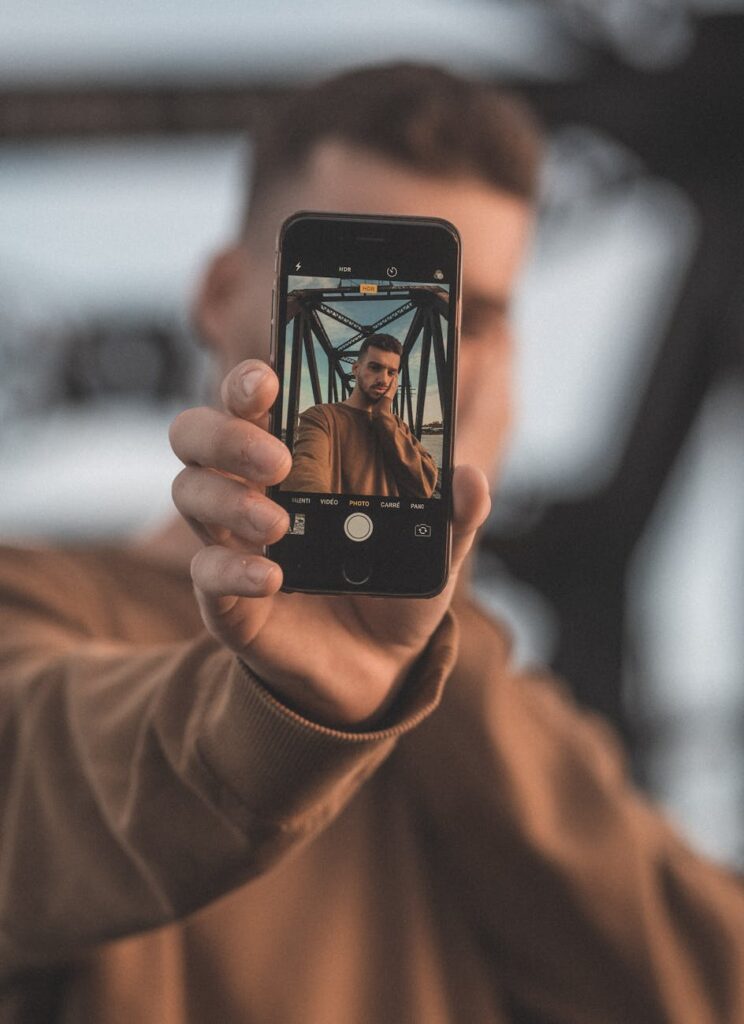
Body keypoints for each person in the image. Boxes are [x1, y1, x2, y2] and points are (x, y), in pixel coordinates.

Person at [1, 62, 743, 1024]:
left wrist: (441, 644)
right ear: (224, 291)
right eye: (352, 288)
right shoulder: (39, 602)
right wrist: (277, 709)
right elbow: (37, 783)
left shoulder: (503, 712)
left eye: (468, 315)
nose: (401, 352)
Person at [281, 332, 438, 497]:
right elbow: (306, 470)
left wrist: (382, 415)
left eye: (391, 373)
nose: (384, 380)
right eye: (375, 367)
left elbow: (425, 486)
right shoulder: (321, 416)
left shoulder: (396, 426)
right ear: (356, 368)